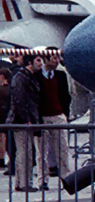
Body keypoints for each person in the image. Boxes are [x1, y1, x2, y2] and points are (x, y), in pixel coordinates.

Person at [6, 54, 45, 192]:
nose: (41, 63)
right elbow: (19, 99)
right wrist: (26, 119)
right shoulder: (22, 77)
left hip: (23, 119)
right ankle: (24, 182)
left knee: (23, 151)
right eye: (38, 60)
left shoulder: (26, 76)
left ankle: (20, 182)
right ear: (30, 62)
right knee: (25, 151)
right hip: (22, 120)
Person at [38, 51, 71, 181]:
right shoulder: (37, 76)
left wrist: (65, 114)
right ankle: (42, 178)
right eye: (54, 58)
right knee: (42, 152)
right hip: (43, 116)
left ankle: (65, 176)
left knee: (63, 148)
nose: (57, 61)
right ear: (46, 59)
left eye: (58, 58)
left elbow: (66, 96)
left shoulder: (61, 75)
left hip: (58, 115)